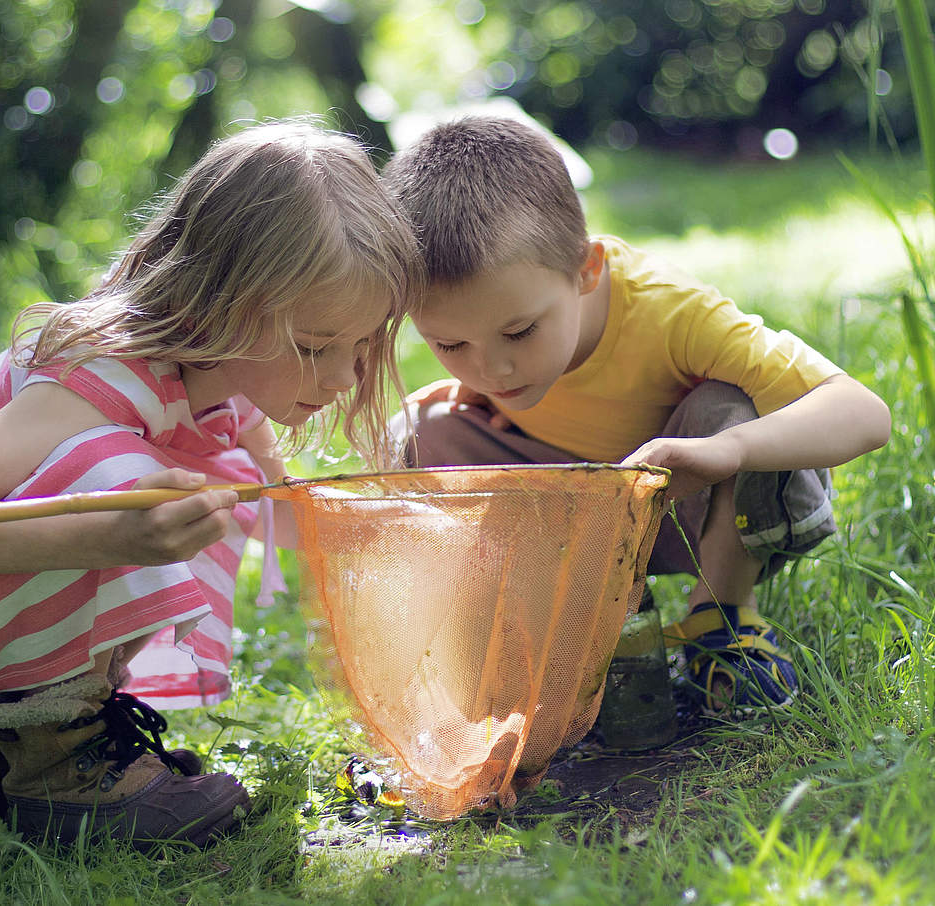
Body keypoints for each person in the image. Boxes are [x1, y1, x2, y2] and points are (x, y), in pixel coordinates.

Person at [0, 120, 422, 848]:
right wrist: (113, 534)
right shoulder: (100, 377)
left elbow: (287, 512)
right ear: (224, 302)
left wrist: (390, 539)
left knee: (209, 483)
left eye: (362, 347)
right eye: (314, 347)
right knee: (127, 481)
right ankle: (61, 772)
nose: (344, 379)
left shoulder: (227, 378)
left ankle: (33, 745)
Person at [382, 114, 891, 715]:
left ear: (587, 268)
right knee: (420, 432)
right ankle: (558, 628)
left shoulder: (669, 312)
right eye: (451, 346)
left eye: (519, 332)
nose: (493, 371)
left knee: (731, 407)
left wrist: (728, 450)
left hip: (693, 512)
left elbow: (866, 413)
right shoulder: (496, 343)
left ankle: (719, 622)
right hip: (582, 522)